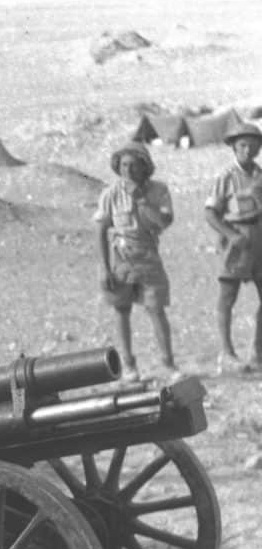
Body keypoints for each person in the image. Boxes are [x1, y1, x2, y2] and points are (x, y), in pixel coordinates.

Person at [95, 142, 179, 381]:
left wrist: (142, 201)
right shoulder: (110, 194)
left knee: (156, 310)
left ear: (145, 167)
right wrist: (104, 268)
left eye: (133, 165)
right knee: (122, 311)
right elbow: (100, 229)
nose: (128, 170)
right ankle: (129, 366)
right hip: (121, 258)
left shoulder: (159, 191)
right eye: (123, 165)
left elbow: (163, 222)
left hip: (149, 256)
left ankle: (169, 364)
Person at [205, 121, 262, 374]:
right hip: (237, 240)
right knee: (228, 298)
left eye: (253, 145)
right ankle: (227, 353)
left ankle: (259, 352)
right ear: (234, 148)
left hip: (260, 239)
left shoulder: (261, 175)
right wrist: (229, 235)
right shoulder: (226, 177)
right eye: (242, 145)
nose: (248, 150)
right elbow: (210, 213)